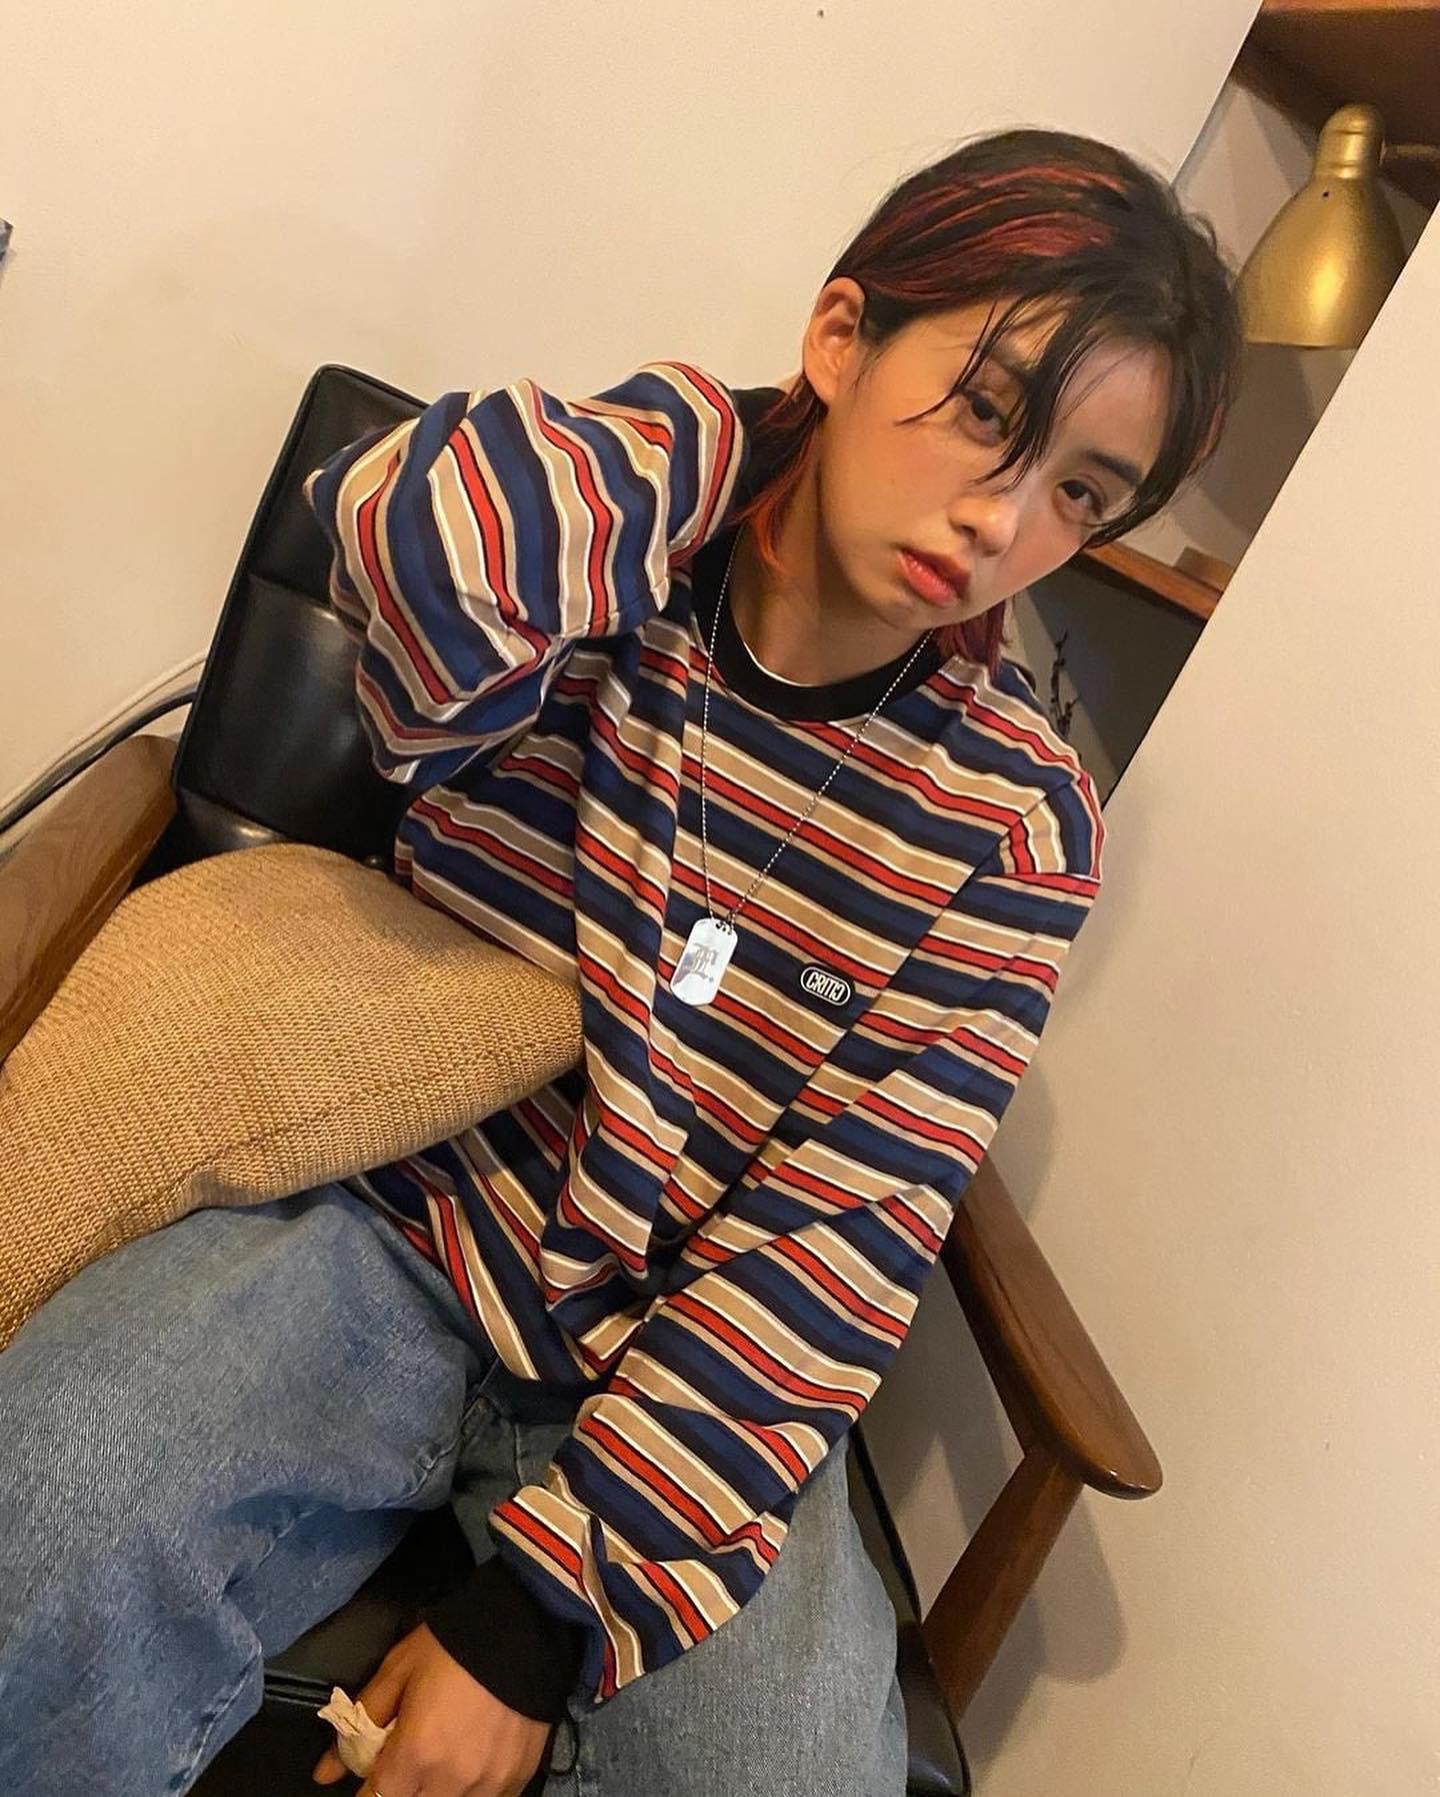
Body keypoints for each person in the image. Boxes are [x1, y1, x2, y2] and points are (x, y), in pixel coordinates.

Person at [0, 127, 1239, 1796]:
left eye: (1080, 492)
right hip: (393, 1218)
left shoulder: (1014, 822)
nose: (1002, 518)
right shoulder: (613, 540)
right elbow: (405, 545)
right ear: (845, 334)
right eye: (986, 409)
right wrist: (721, 442)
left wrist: (539, 1615)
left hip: (679, 1334)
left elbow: (842, 1231)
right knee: (49, 1505)